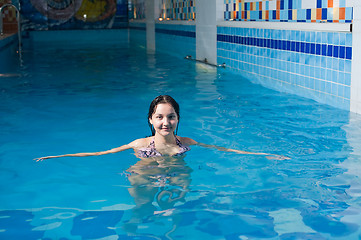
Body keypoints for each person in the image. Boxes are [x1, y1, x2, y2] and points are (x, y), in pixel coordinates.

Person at [34, 95, 289, 161]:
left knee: (181, 192)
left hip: (177, 173)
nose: (165, 122)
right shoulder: (140, 144)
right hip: (146, 171)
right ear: (150, 120)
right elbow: (101, 153)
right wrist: (59, 155)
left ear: (178, 119)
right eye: (159, 117)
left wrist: (263, 154)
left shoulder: (187, 142)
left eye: (171, 117)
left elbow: (225, 149)